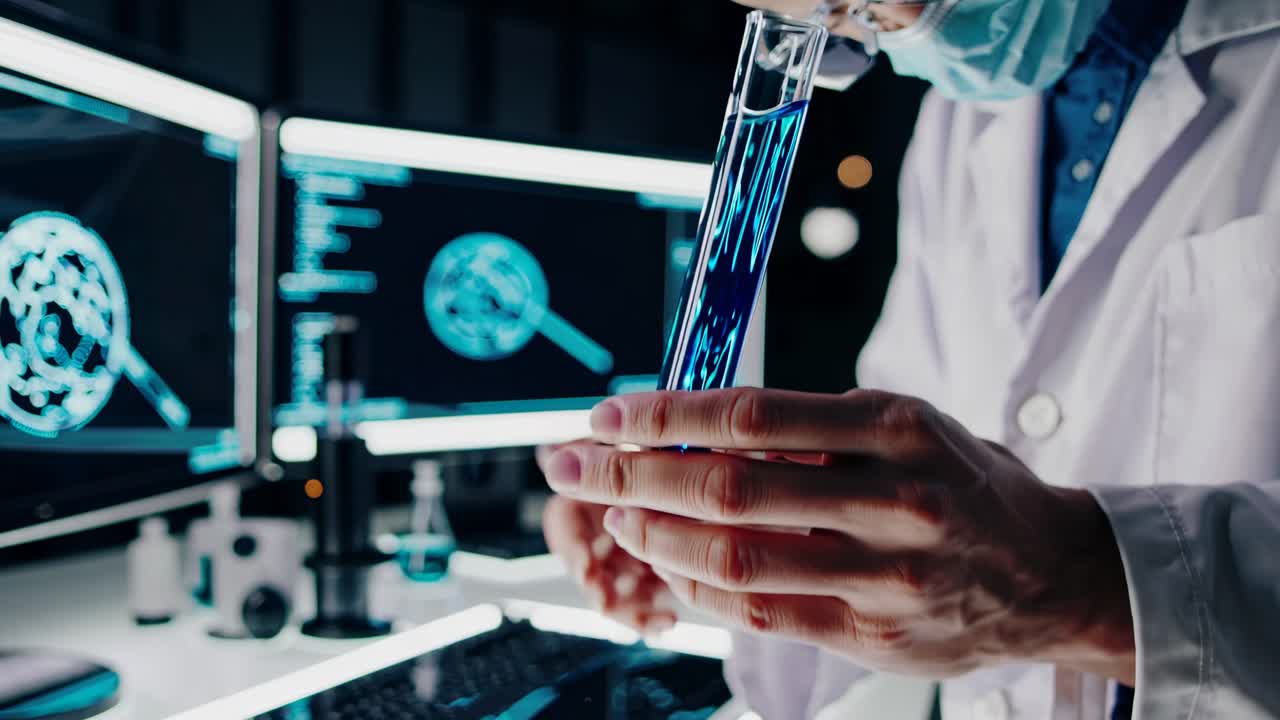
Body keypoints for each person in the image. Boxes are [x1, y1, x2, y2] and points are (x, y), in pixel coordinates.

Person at [540, 0, 1280, 717]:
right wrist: (747, 542)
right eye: (835, 20)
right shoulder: (959, 117)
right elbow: (906, 493)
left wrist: (1084, 587)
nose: (869, 29)